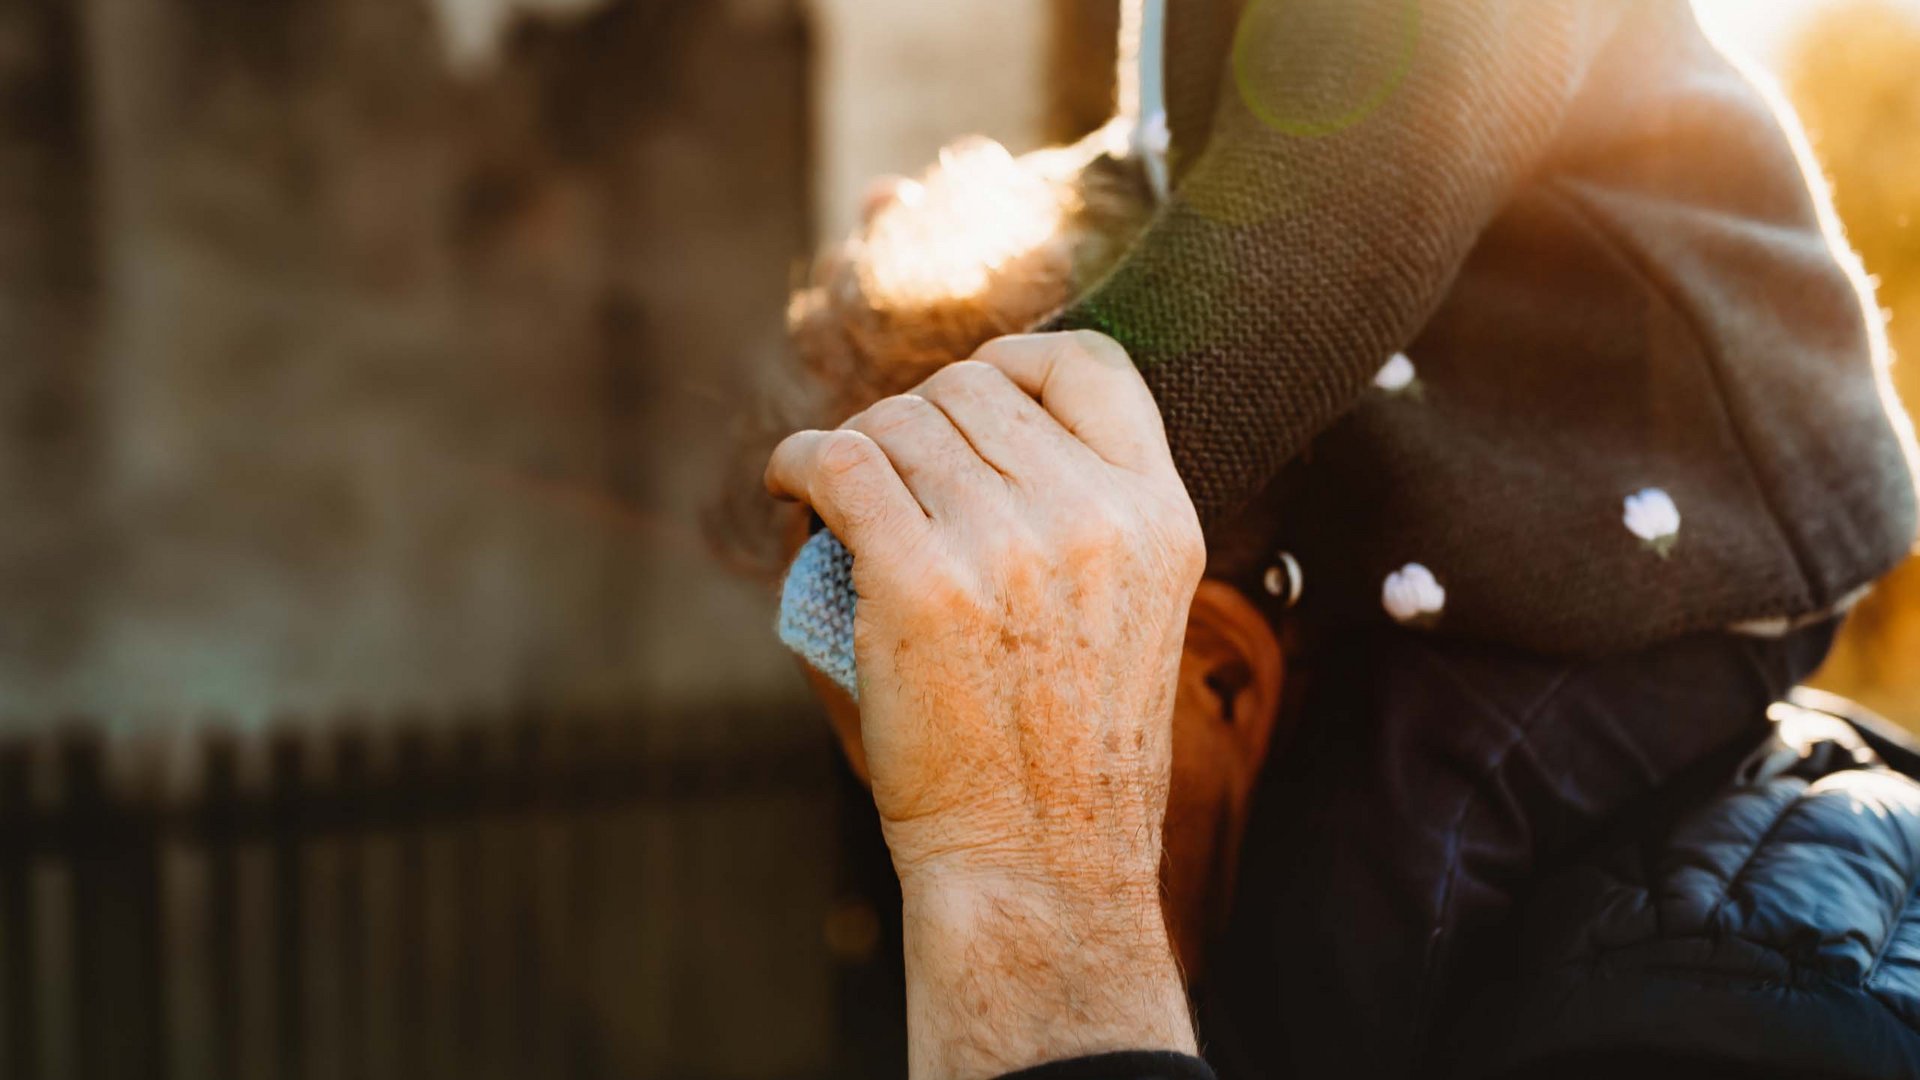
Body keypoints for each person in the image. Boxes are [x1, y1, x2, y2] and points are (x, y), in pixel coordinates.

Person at [737, 0, 1920, 1075]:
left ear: (1221, 670)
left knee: (1359, 932)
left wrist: (1032, 461)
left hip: (1688, 532)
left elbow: (1327, 212)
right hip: (1562, 512)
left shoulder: (1712, 1024)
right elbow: (1222, 164)